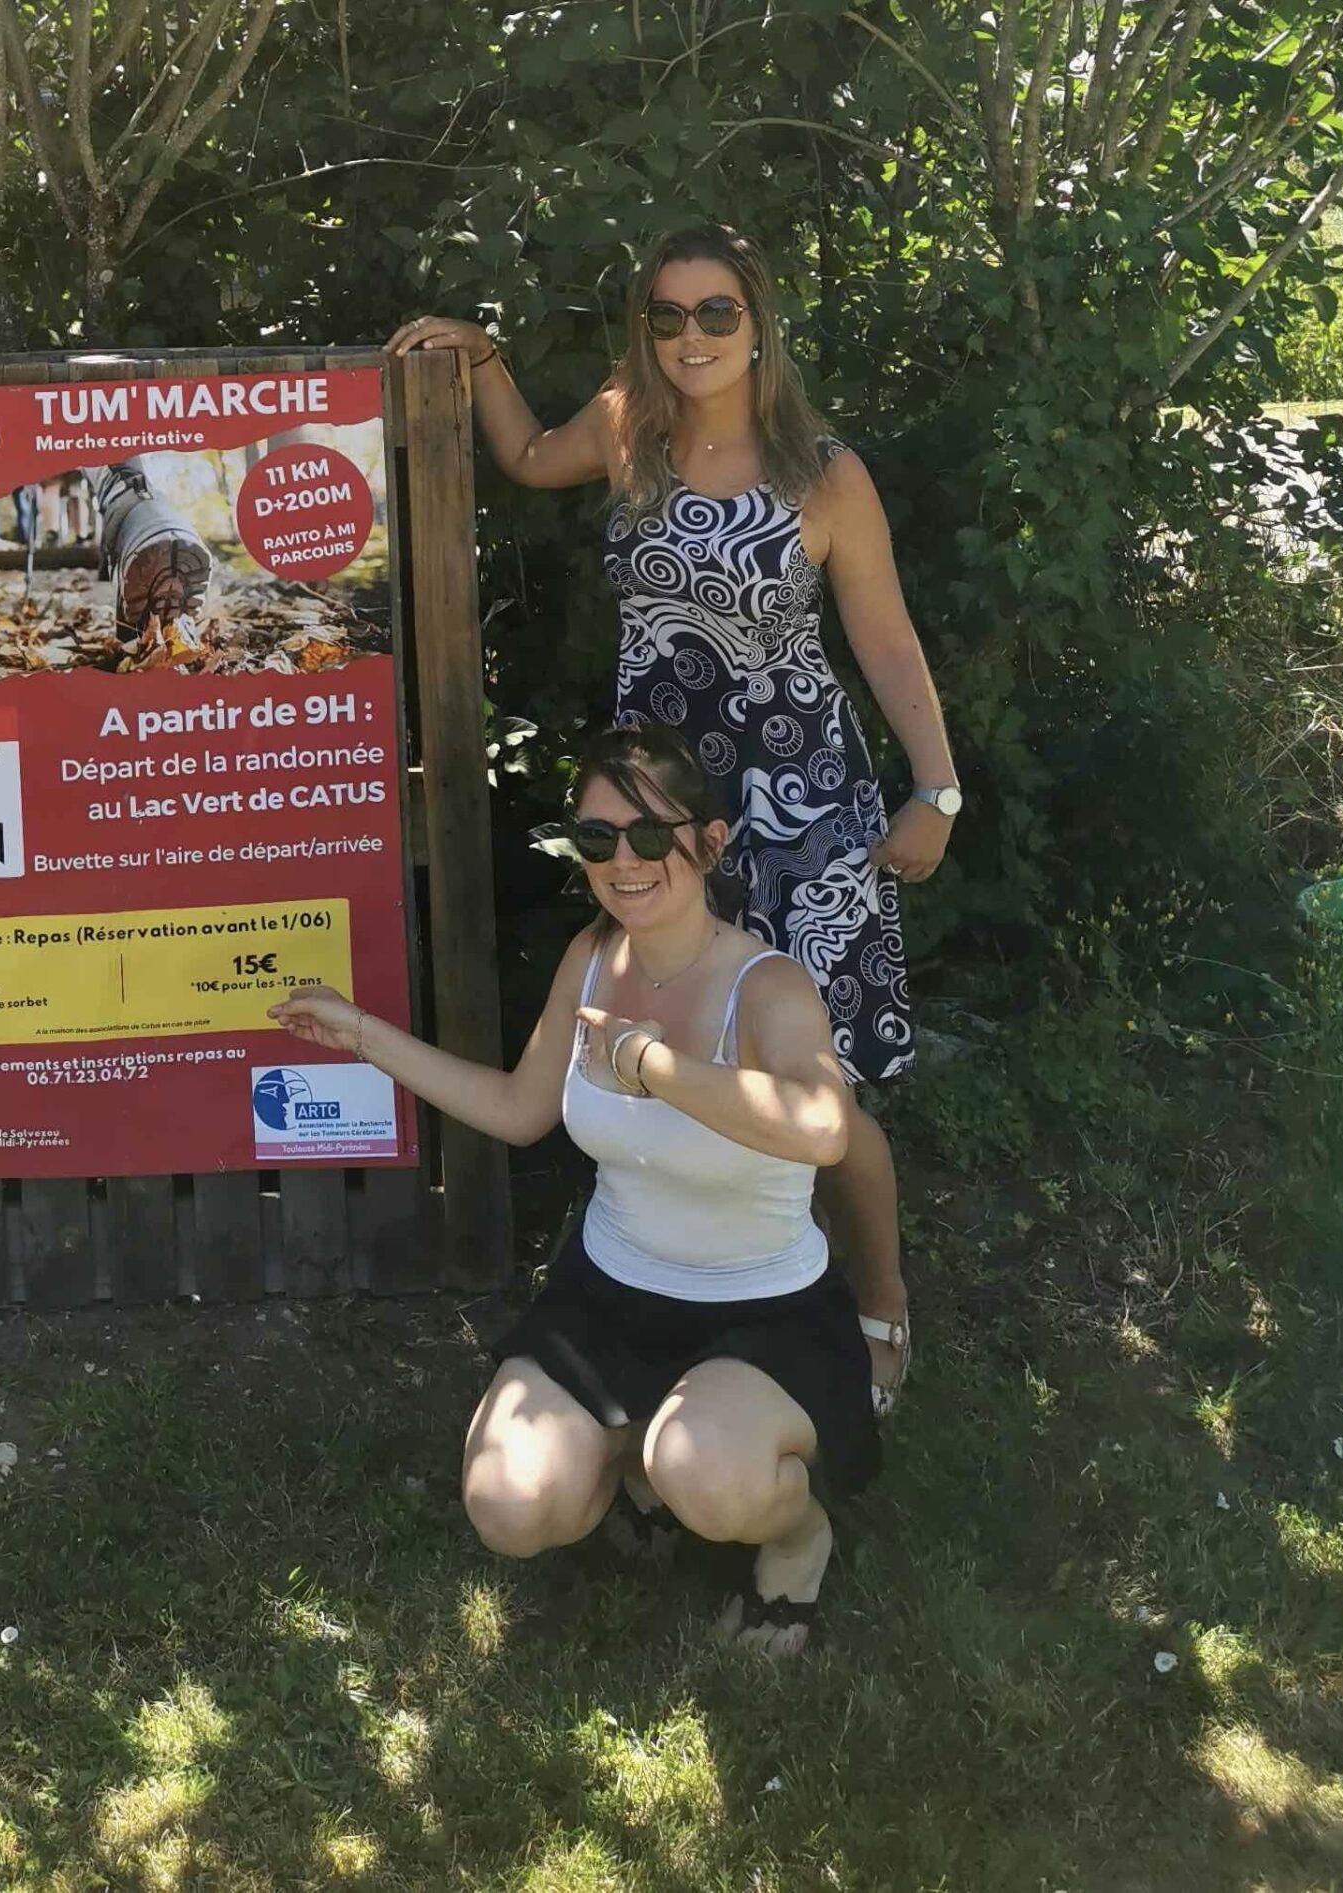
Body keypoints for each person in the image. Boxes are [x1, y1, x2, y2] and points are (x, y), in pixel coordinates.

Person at [389, 223, 949, 1418]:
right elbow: (526, 456)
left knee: (826, 1096)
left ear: (758, 325)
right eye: (667, 315)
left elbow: (885, 638)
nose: (691, 337)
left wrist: (935, 788)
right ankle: (694, 1289)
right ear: (643, 331)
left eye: (716, 313)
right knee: (678, 1050)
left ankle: (879, 1305)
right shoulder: (625, 431)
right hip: (657, 815)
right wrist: (482, 359)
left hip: (801, 814)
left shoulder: (823, 472)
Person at [271, 724, 876, 1654]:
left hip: (765, 1309)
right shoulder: (592, 959)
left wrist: (654, 1066)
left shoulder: (767, 987)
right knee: (509, 1505)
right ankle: (635, 1452)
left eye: (650, 834)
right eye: (598, 837)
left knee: (708, 1474)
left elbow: (825, 1127)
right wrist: (359, 1033)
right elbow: (519, 1108)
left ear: (711, 842)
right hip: (610, 1296)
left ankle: (795, 1538)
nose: (623, 861)